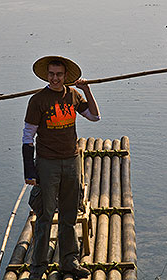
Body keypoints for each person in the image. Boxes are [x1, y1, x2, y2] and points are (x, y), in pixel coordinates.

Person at [22, 56, 101, 280]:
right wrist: (30, 170)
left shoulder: (73, 95)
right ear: (46, 76)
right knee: (45, 215)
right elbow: (28, 136)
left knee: (69, 214)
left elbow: (94, 117)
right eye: (51, 74)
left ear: (66, 76)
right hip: (47, 163)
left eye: (59, 74)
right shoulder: (38, 100)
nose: (55, 78)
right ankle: (38, 267)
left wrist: (87, 91)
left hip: (71, 160)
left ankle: (70, 261)